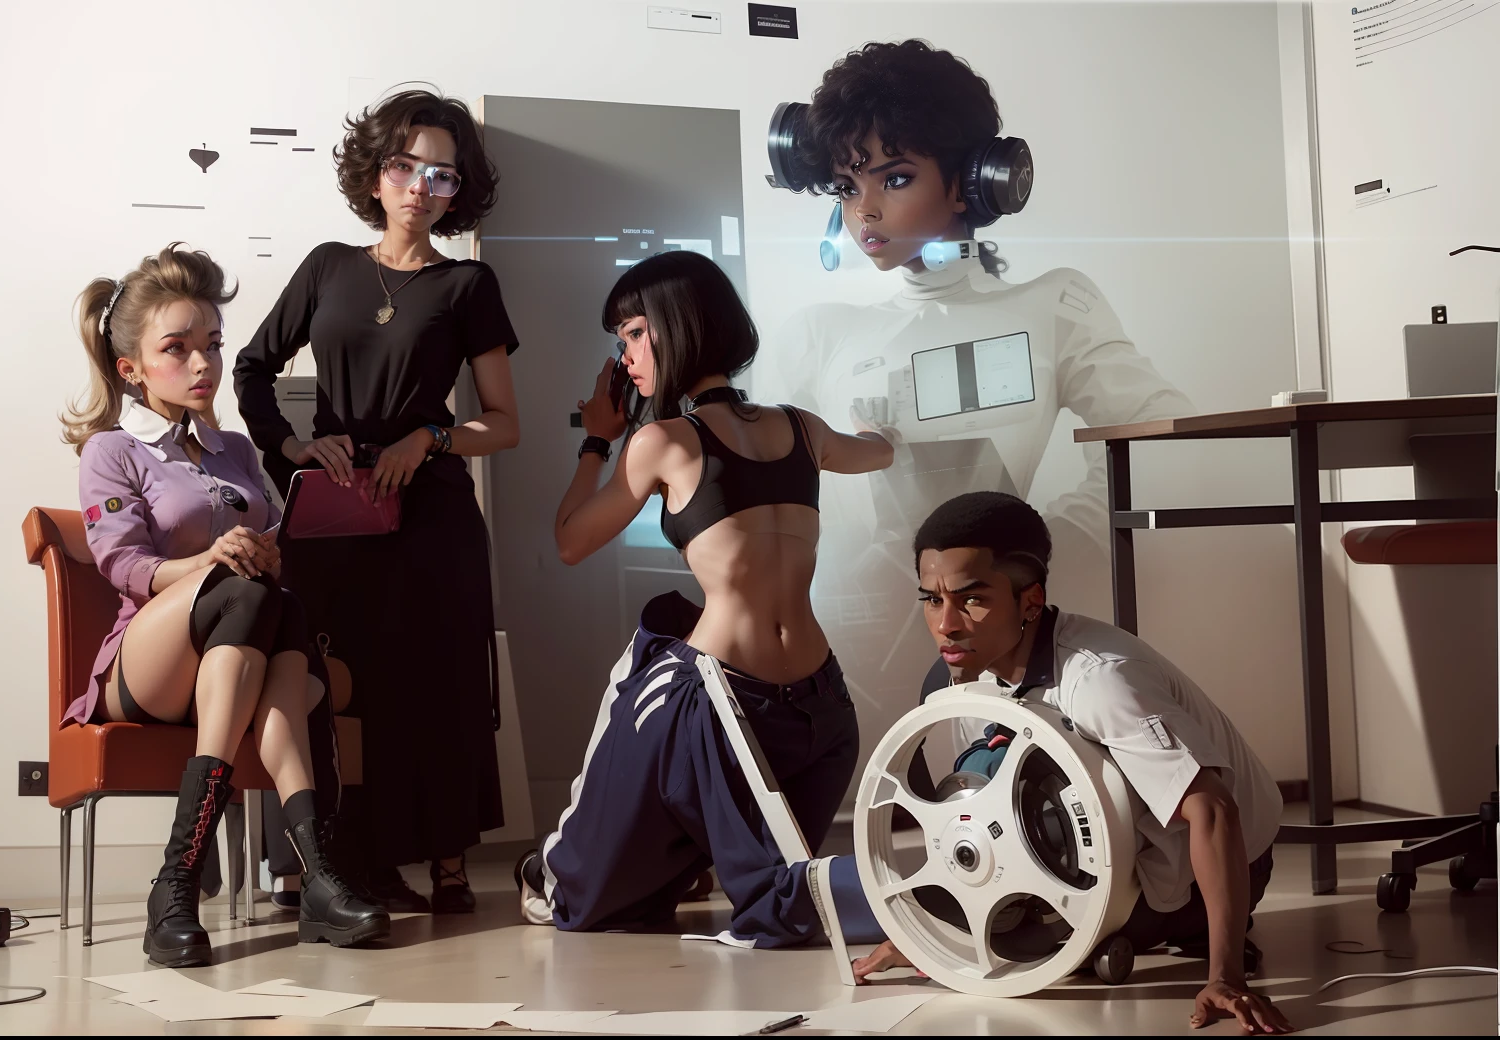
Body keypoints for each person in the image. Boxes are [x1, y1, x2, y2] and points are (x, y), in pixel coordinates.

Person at [755, 39, 1194, 752]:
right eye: (846, 186)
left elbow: (1157, 430)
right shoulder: (817, 334)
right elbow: (756, 493)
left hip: (1003, 643)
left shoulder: (1052, 308)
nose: (865, 210)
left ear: (973, 180)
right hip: (847, 642)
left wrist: (1056, 540)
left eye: (895, 178)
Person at [513, 250, 894, 943]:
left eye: (633, 333)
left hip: (722, 707)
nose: (625, 356)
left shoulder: (661, 441)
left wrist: (596, 440)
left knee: (589, 898)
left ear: (677, 325)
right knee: (777, 887)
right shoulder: (803, 428)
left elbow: (570, 540)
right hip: (822, 711)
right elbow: (877, 451)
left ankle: (552, 871)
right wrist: (883, 428)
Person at [845, 491, 1293, 1035]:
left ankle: (1192, 928)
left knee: (1024, 943)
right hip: (1128, 848)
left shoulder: (1100, 680)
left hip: (1226, 863)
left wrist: (1226, 977)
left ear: (1030, 600)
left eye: (972, 599)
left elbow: (1214, 811)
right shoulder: (957, 676)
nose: (947, 625)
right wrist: (929, 935)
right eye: (931, 600)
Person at [234, 89, 520, 914]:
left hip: (431, 513)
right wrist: (291, 447)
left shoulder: (469, 283)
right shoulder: (328, 266)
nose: (419, 187)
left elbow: (504, 424)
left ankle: (448, 860)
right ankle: (345, 860)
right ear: (375, 173)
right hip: (335, 514)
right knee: (337, 683)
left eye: (441, 174)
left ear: (458, 191)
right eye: (403, 166)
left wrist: (428, 438)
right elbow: (251, 368)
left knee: (438, 682)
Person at [60, 244, 388, 966]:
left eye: (211, 344)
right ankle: (206, 875)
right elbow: (123, 565)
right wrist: (209, 563)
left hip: (238, 650)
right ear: (131, 369)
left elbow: (272, 543)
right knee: (244, 593)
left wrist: (274, 550)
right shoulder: (113, 450)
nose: (202, 363)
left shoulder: (236, 450)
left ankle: (291, 879)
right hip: (147, 666)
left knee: (274, 606)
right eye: (176, 348)